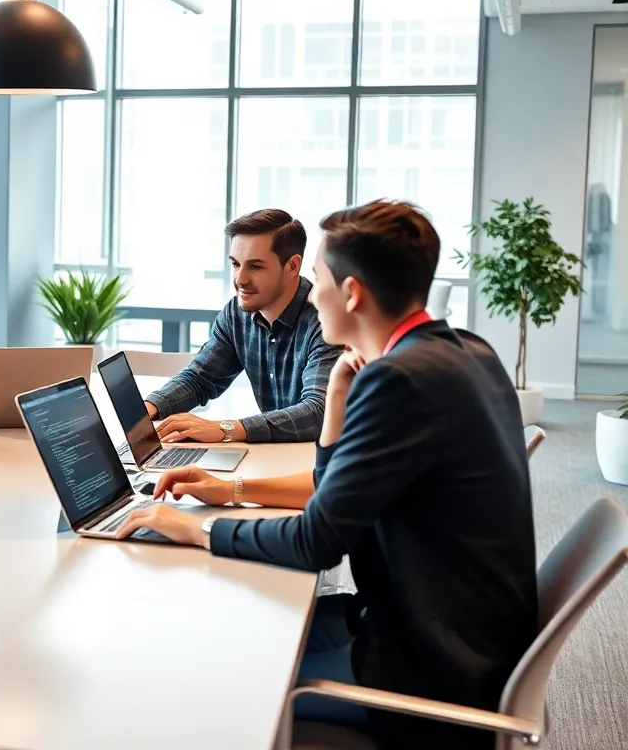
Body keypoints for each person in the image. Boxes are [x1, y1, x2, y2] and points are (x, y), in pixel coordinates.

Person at [116, 200, 537, 748]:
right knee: (247, 627)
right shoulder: (467, 352)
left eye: (317, 278)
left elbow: (319, 542)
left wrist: (196, 527)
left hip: (428, 674)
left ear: (353, 293)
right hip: (450, 632)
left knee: (211, 674)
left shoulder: (400, 383)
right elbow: (334, 497)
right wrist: (335, 402)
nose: (313, 294)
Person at [144, 209, 341, 444]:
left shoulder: (326, 321)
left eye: (255, 266)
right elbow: (200, 378)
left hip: (320, 464)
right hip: (278, 458)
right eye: (236, 264)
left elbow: (319, 412)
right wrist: (148, 409)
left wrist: (226, 429)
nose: (240, 279)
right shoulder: (236, 314)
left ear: (292, 266)